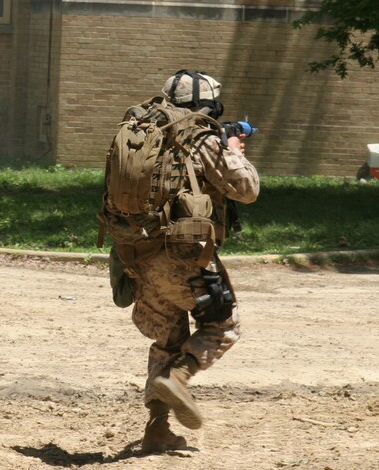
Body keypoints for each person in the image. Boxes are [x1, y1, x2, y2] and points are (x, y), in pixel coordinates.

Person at [99, 70, 259, 453]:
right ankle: (180, 377)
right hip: (184, 256)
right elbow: (247, 190)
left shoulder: (137, 131)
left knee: (168, 338)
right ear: (206, 105)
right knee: (223, 324)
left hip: (136, 254)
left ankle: (157, 429)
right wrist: (234, 153)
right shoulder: (200, 137)